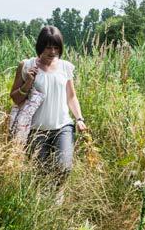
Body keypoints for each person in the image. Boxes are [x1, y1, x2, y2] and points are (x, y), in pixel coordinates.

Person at [9, 26, 88, 192]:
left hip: (62, 127)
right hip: (36, 130)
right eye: (48, 47)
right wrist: (29, 82)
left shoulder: (65, 67)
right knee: (40, 173)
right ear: (40, 47)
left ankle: (57, 195)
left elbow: (71, 96)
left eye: (56, 47)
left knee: (64, 167)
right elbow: (15, 98)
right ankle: (45, 204)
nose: (52, 52)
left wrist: (79, 119)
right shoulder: (26, 65)